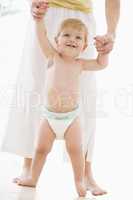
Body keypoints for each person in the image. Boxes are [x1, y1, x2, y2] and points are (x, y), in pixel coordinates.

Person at [1, 0, 120, 196]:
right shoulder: (52, 53)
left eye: (76, 40)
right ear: (58, 39)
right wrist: (38, 16)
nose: (71, 40)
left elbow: (100, 64)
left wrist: (109, 37)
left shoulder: (81, 61)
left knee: (86, 103)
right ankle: (29, 168)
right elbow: (42, 39)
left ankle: (83, 176)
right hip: (48, 8)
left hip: (82, 13)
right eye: (66, 37)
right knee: (34, 90)